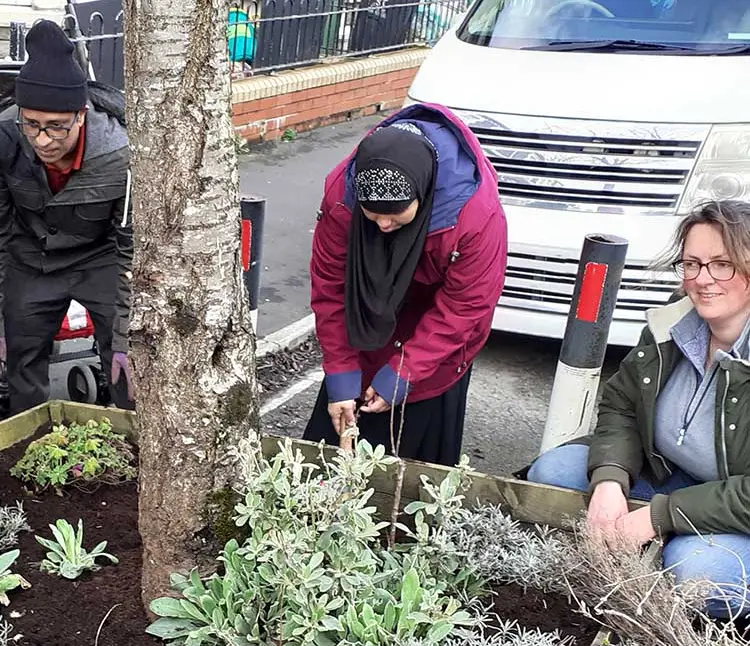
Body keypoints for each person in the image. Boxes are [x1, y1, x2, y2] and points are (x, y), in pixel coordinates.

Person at [528, 200, 750, 619]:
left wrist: (659, 516)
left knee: (700, 575)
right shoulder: (677, 320)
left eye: (722, 264)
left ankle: (672, 568)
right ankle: (643, 548)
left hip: (736, 510)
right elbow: (623, 404)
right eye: (691, 264)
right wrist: (611, 479)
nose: (702, 280)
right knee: (553, 474)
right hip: (665, 473)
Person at [304, 104, 508, 465]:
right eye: (373, 215)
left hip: (437, 340)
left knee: (410, 471)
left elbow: (465, 306)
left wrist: (405, 372)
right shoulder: (343, 198)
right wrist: (340, 374)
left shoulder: (474, 217)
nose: (383, 226)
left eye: (396, 217)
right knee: (334, 437)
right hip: (366, 320)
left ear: (422, 194)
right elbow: (331, 288)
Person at [0, 19, 134, 413]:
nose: (42, 140)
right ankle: (30, 438)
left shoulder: (118, 153)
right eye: (32, 124)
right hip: (30, 256)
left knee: (131, 365)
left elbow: (132, 249)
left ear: (82, 115)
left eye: (56, 128)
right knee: (19, 356)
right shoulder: (2, 140)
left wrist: (126, 337)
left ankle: (132, 435)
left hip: (100, 255)